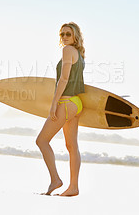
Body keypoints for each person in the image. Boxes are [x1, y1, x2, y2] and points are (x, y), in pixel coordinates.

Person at [36, 22, 85, 197]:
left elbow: (63, 79)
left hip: (65, 103)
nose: (64, 37)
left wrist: (54, 103)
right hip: (77, 104)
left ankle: (56, 179)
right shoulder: (79, 54)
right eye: (62, 34)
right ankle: (74, 187)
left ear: (75, 37)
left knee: (41, 141)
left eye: (68, 34)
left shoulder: (67, 51)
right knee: (72, 146)